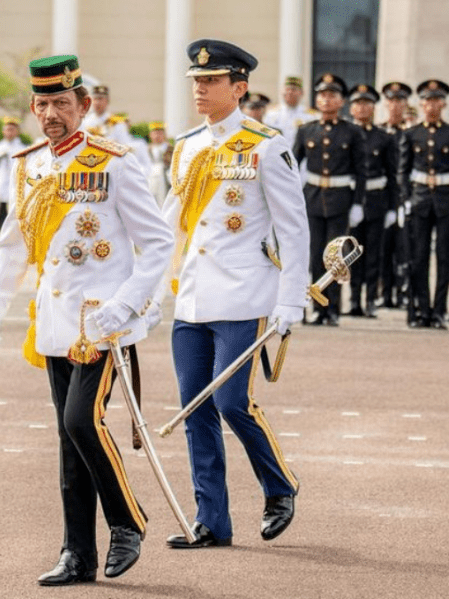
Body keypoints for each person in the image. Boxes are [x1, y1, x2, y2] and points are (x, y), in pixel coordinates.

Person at [0, 55, 172, 585]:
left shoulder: (114, 160)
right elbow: (11, 248)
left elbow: (157, 244)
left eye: (63, 103)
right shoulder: (28, 164)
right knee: (69, 441)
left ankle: (127, 520)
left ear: (83, 105)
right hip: (56, 323)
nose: (52, 113)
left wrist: (126, 306)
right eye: (43, 104)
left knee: (82, 422)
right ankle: (77, 554)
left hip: (102, 325)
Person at [162, 39, 309, 549]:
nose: (200, 89)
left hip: (244, 295)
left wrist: (291, 300)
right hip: (194, 296)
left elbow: (294, 228)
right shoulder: (187, 146)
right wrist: (139, 290)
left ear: (239, 87)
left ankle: (278, 484)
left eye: (211, 81)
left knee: (230, 402)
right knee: (193, 408)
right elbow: (170, 224)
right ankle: (211, 520)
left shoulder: (266, 144)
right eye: (196, 82)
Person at [293, 72, 366, 326]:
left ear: (341, 101)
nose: (326, 99)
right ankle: (316, 307)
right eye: (322, 95)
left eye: (332, 95)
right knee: (314, 255)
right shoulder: (305, 131)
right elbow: (292, 168)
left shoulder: (353, 132)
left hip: (340, 198)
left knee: (335, 256)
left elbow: (361, 170)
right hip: (312, 198)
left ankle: (332, 308)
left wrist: (358, 203)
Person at [398, 80, 449, 329]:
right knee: (418, 258)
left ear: (443, 104)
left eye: (436, 101)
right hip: (419, 201)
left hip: (445, 200)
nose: (431, 105)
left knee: (444, 258)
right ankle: (421, 309)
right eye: (427, 101)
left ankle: (439, 311)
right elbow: (403, 171)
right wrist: (405, 200)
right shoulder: (411, 133)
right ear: (421, 104)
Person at [346, 84, 397, 318]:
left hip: (377, 200)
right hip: (351, 199)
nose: (362, 108)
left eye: (366, 103)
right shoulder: (345, 133)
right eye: (357, 103)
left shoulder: (384, 138)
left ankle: (370, 301)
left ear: (374, 108)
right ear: (351, 107)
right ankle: (354, 300)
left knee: (374, 253)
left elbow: (393, 174)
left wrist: (393, 207)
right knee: (350, 253)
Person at [378, 81, 412, 309]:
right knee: (384, 248)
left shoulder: (410, 132)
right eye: (391, 101)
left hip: (407, 196)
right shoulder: (379, 132)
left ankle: (404, 292)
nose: (395, 105)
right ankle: (385, 292)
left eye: (399, 101)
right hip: (384, 198)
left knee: (405, 248)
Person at [0, 115, 25, 230]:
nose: (9, 132)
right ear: (3, 131)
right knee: (0, 218)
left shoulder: (22, 148)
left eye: (12, 129)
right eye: (7, 129)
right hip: (1, 187)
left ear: (17, 131)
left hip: (16, 188)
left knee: (15, 219)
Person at [263, 75, 315, 140]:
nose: (290, 92)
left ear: (302, 93)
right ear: (282, 92)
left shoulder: (310, 116)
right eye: (287, 89)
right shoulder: (272, 114)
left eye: (294, 89)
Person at [146, 121, 171, 203]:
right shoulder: (147, 149)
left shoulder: (170, 148)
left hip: (165, 179)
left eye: (160, 133)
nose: (157, 136)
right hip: (150, 179)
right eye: (155, 133)